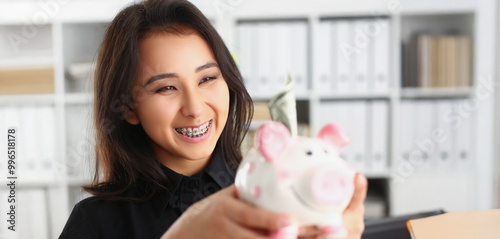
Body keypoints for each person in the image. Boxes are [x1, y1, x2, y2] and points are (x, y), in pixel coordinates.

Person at [59, 0, 368, 238]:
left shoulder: (281, 192)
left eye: (207, 78)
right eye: (166, 87)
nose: (194, 108)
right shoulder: (95, 222)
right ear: (128, 108)